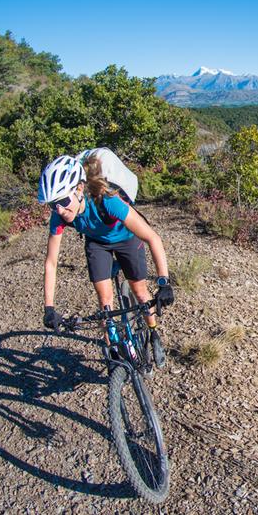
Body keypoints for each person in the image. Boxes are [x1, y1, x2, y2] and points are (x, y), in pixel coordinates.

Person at [38, 153, 173, 367]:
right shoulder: (59, 216)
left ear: (79, 189)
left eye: (63, 201)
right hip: (97, 243)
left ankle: (153, 332)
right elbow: (51, 263)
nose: (60, 210)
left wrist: (164, 282)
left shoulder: (107, 200)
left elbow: (152, 238)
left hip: (127, 239)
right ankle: (113, 352)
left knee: (140, 292)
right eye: (53, 205)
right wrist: (49, 308)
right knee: (105, 303)